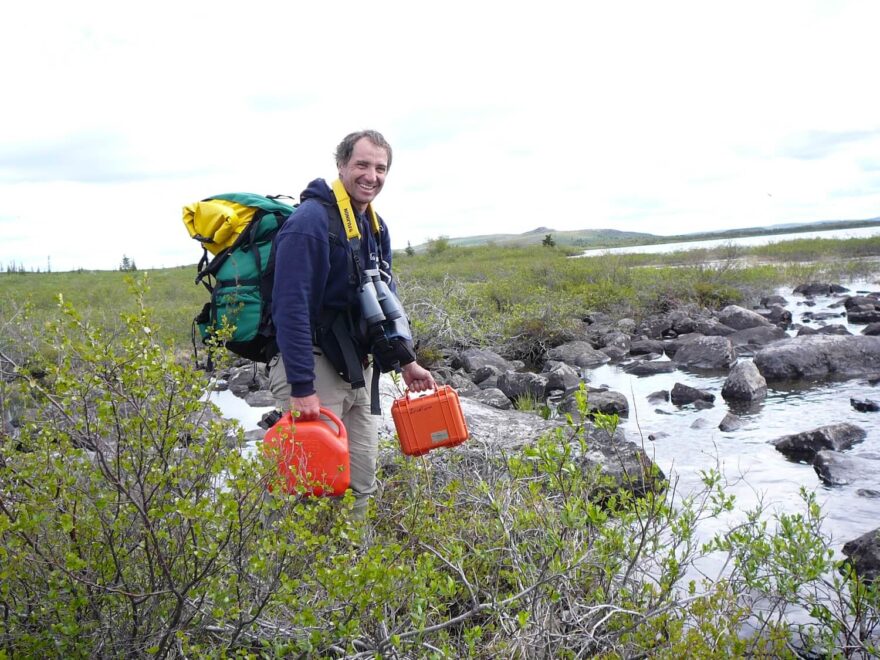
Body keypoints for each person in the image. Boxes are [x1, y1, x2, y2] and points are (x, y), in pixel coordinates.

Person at [268, 129, 435, 517]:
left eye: (380, 168)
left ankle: (354, 566)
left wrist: (407, 361)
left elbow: (378, 304)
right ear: (341, 165)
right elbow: (289, 309)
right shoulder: (309, 223)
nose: (371, 176)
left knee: (362, 482)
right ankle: (302, 573)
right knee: (313, 489)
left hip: (357, 368)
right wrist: (301, 388)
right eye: (362, 164)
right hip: (311, 364)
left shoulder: (375, 227)